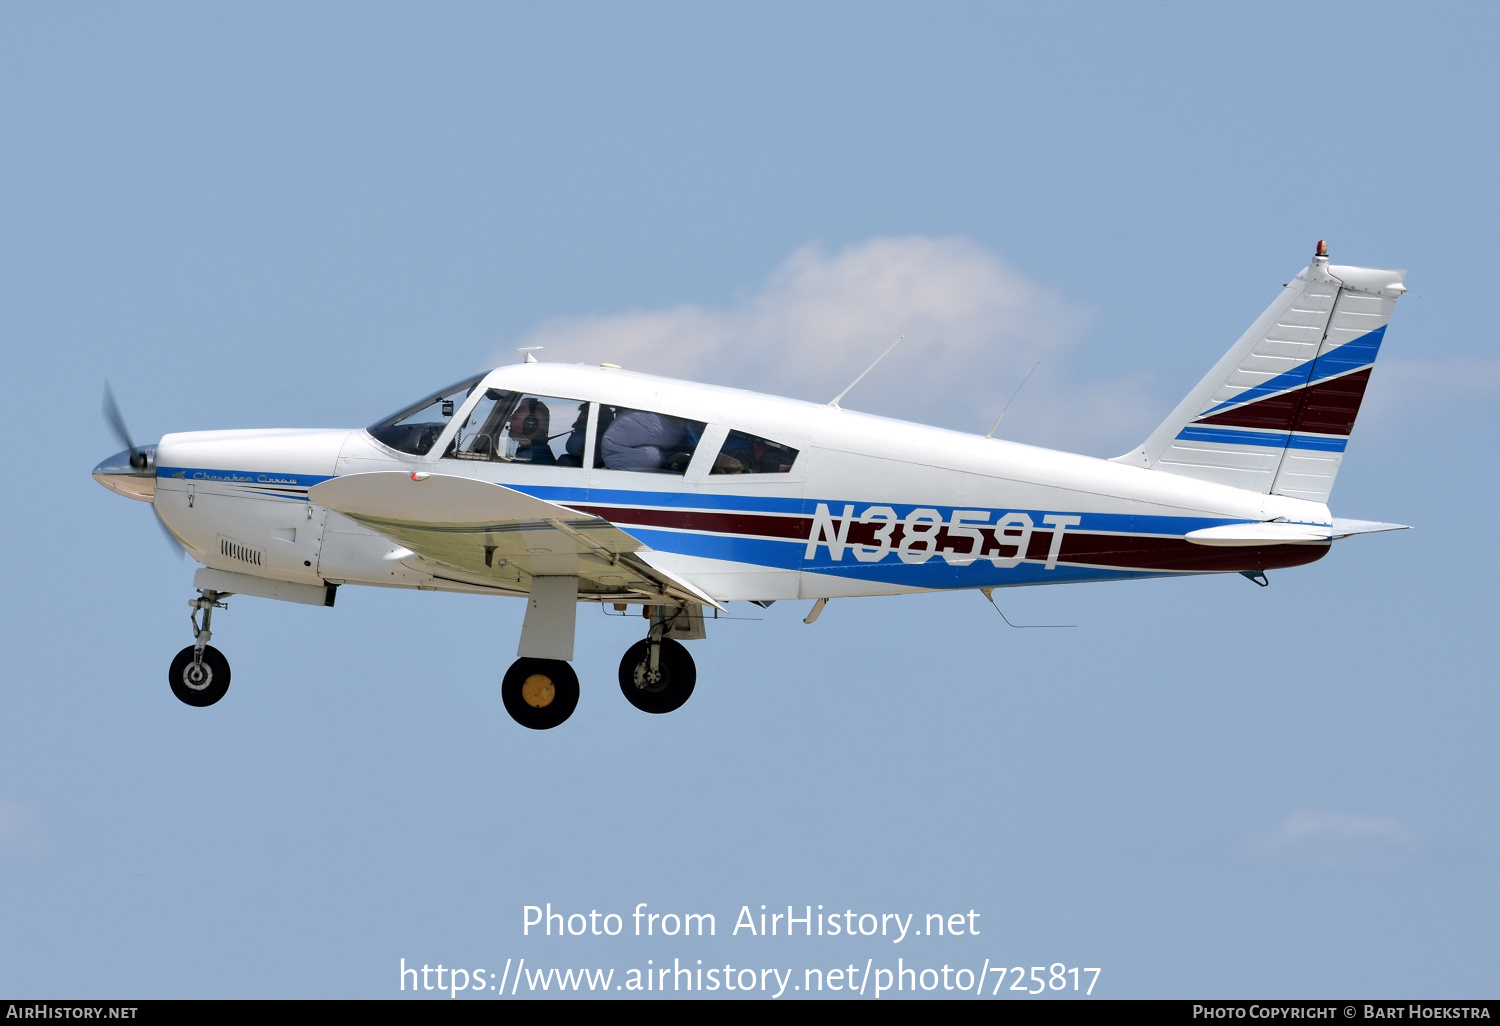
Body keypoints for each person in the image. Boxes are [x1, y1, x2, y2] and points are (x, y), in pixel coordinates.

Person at [506, 398, 555, 465]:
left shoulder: (530, 459)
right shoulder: (536, 452)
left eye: (515, 418)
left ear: (530, 425)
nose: (509, 420)